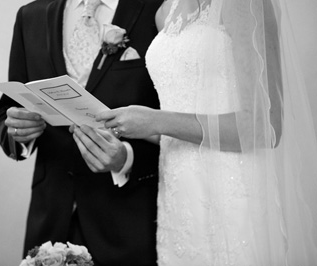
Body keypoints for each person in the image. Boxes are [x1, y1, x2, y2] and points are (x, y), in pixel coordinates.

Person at [96, 0, 317, 265]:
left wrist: (155, 120)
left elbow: (265, 127)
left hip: (232, 189)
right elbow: (178, 121)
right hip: (179, 197)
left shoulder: (244, 4)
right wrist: (126, 124)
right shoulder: (165, 11)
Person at [0, 0, 163, 265]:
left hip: (128, 221)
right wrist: (18, 131)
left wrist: (126, 158)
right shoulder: (30, 16)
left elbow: (173, 121)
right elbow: (8, 112)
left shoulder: (156, 9)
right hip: (50, 220)